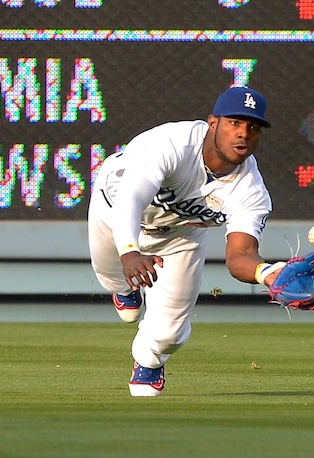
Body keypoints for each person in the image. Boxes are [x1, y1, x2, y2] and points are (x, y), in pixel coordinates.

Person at [87, 86, 284, 396]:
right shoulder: (170, 144)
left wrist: (269, 273)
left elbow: (241, 254)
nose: (243, 133)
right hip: (115, 208)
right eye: (234, 122)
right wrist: (129, 251)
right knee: (112, 280)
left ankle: (149, 362)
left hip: (180, 234)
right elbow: (132, 200)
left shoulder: (251, 192)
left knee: (171, 333)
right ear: (213, 123)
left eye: (253, 127)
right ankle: (125, 290)